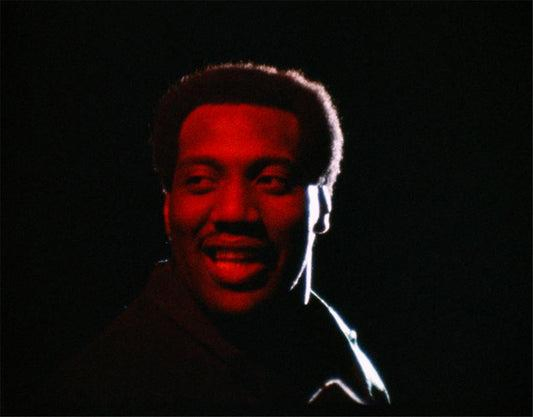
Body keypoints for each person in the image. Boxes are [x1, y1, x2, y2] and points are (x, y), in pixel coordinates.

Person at [38, 63, 390, 415]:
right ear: (168, 208)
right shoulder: (98, 392)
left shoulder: (338, 353)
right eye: (200, 181)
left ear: (324, 206)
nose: (234, 213)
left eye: (272, 180)